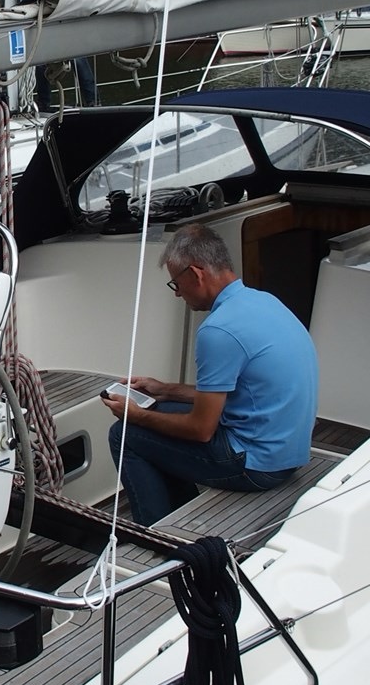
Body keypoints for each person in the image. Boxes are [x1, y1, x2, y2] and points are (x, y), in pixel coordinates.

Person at [102, 223, 318, 526]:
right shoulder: (265, 302)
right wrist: (165, 390)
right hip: (287, 452)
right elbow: (243, 391)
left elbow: (201, 429)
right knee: (160, 409)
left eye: (175, 284)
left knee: (125, 435)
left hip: (258, 466)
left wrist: (136, 416)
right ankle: (180, 514)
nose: (177, 294)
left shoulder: (218, 330)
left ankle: (154, 535)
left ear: (195, 273)